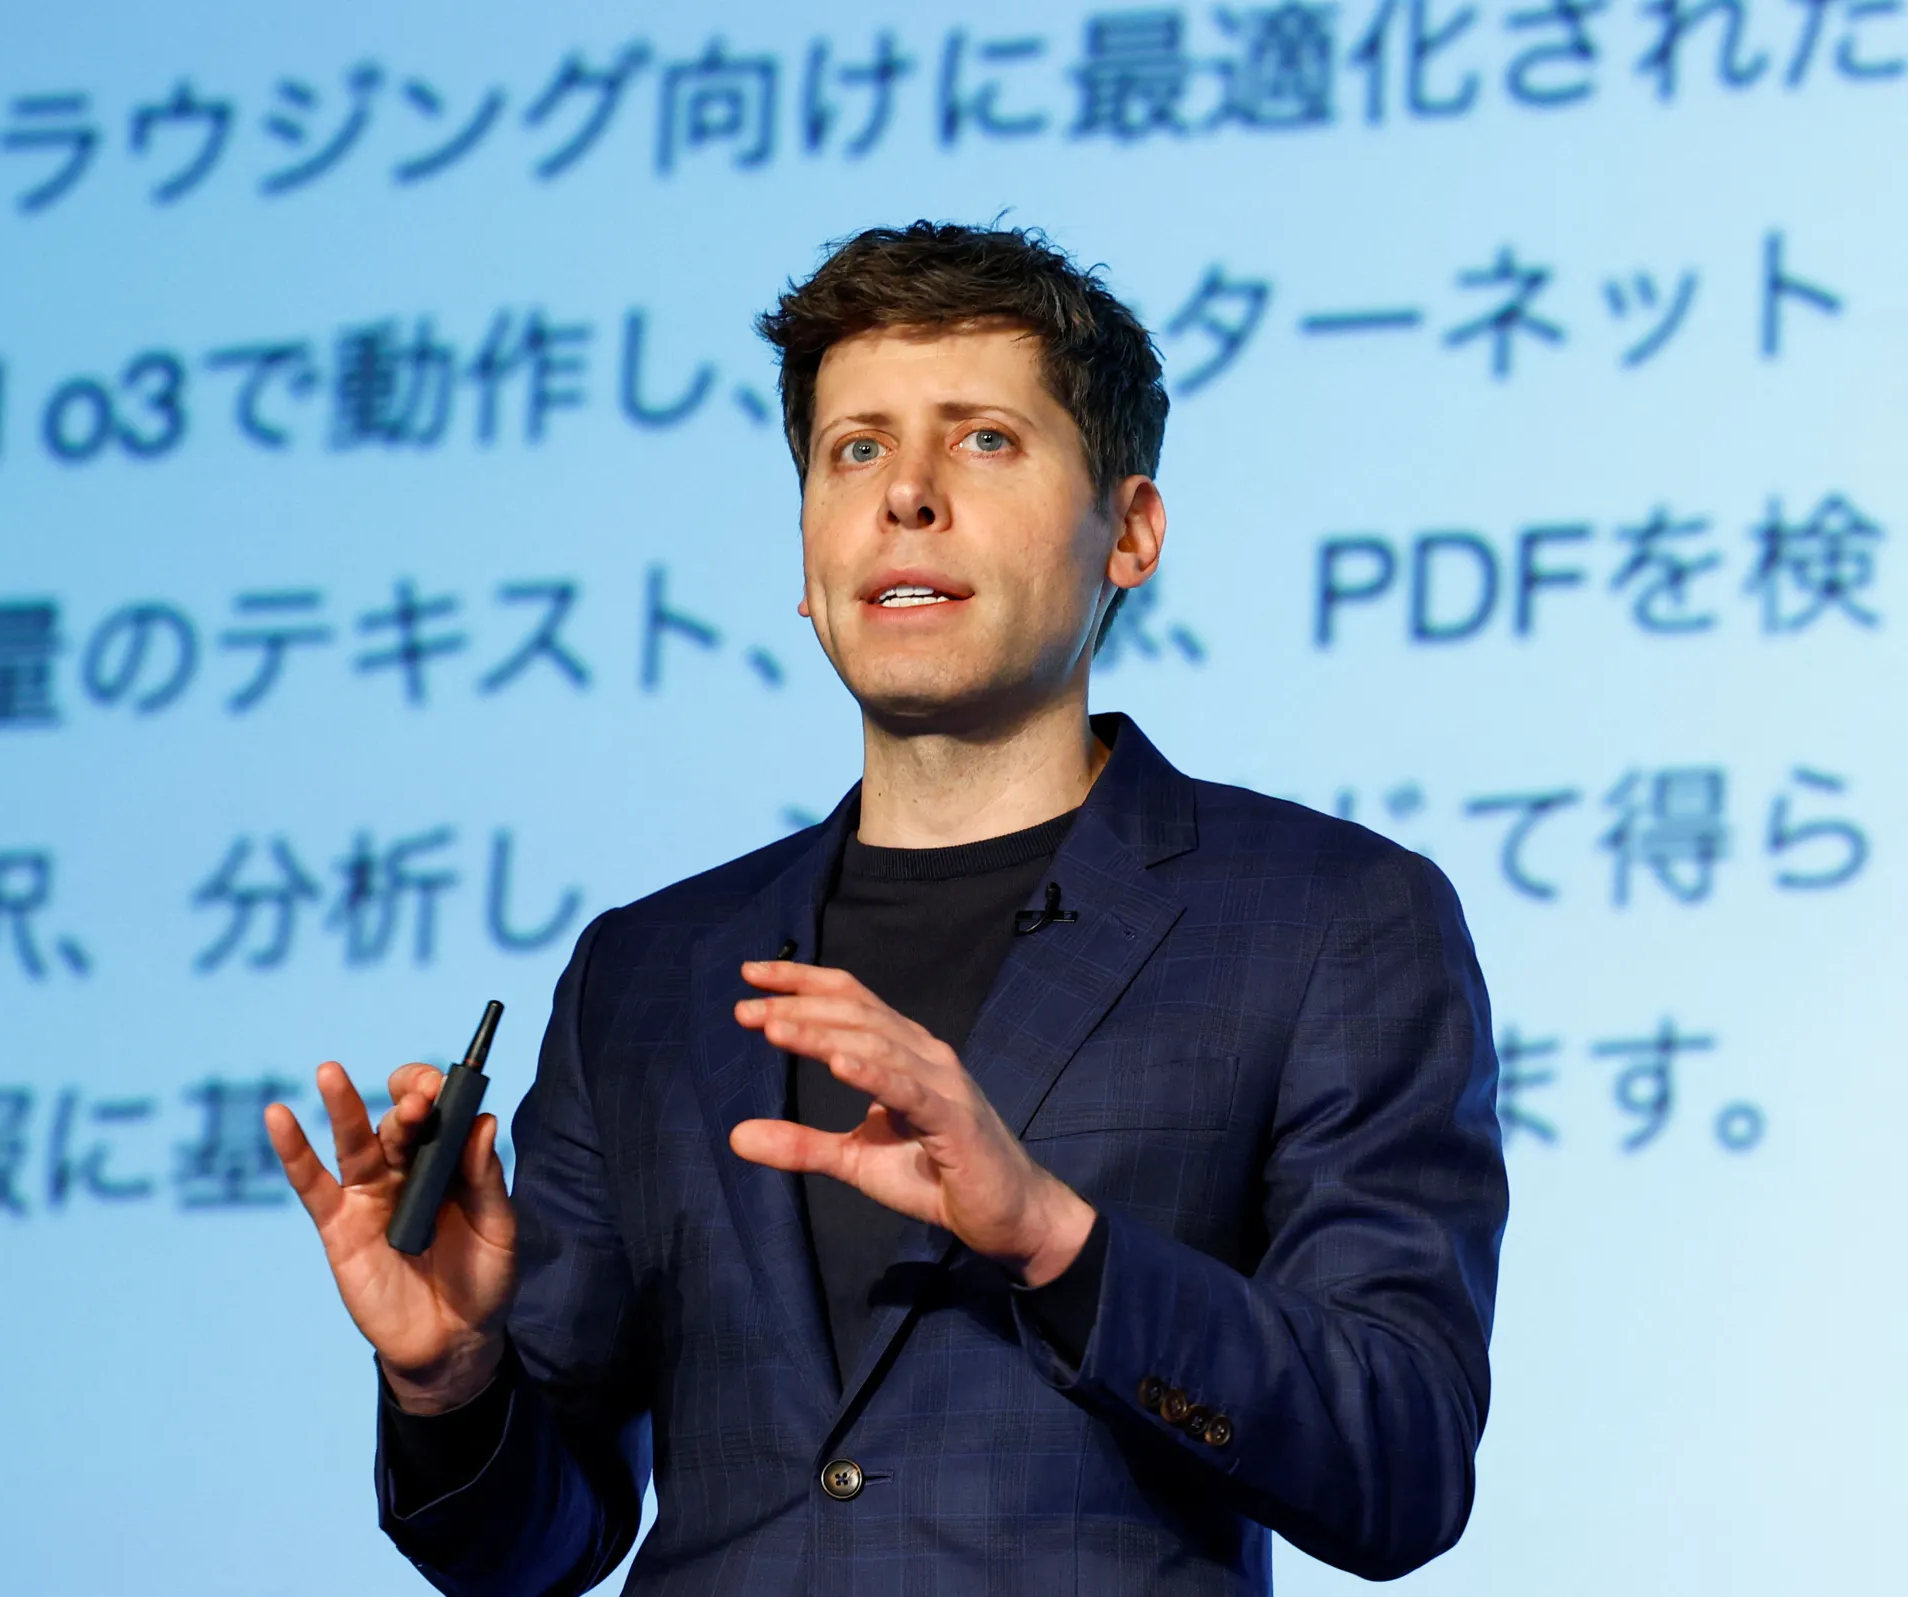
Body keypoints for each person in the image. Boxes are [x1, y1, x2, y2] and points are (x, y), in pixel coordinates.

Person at [264, 221, 1508, 1595]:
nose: (905, 496)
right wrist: (451, 1382)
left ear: (1132, 533)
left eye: (983, 440)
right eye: (855, 450)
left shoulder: (1329, 916)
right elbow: (537, 1553)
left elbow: (1401, 1461)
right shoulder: (650, 969)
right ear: (806, 565)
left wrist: (1054, 1239)